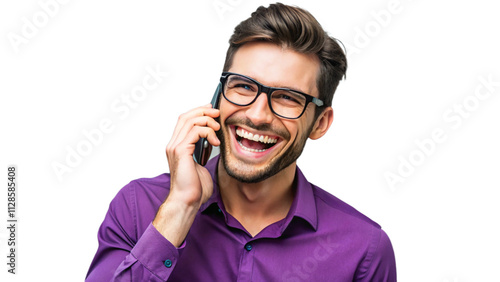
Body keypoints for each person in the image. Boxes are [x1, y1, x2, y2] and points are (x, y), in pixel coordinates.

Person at [86, 3, 396, 281]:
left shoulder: (364, 251)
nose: (258, 115)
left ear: (320, 123)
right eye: (244, 86)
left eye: (288, 97)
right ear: (217, 97)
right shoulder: (138, 207)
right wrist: (180, 209)